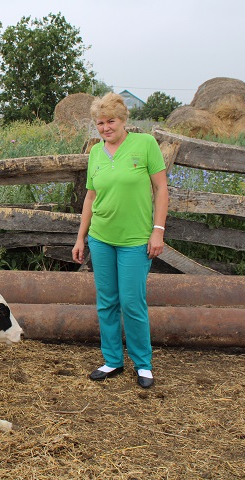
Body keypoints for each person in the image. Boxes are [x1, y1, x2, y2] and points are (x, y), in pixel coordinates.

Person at [71, 92, 168, 389]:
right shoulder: (96, 153)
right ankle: (112, 359)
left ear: (123, 119)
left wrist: (158, 230)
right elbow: (90, 196)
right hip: (101, 238)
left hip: (135, 239)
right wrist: (81, 237)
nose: (105, 127)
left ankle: (143, 363)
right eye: (100, 123)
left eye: (110, 121)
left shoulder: (145, 145)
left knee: (132, 302)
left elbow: (161, 189)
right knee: (107, 302)